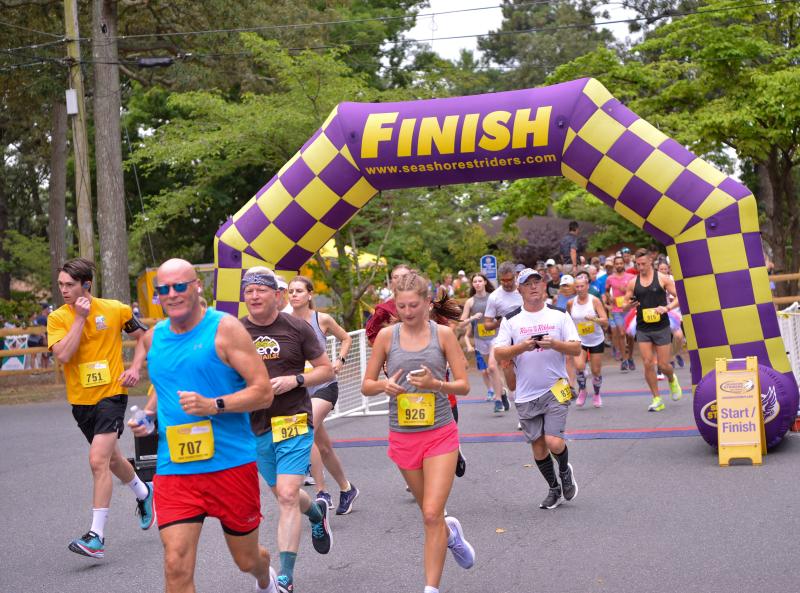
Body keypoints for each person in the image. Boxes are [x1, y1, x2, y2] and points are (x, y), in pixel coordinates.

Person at [123, 258, 279, 593]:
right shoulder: (153, 339)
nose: (172, 294)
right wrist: (148, 418)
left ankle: (265, 580)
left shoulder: (225, 329)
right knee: (175, 563)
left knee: (247, 559)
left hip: (230, 465)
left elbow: (263, 392)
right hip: (175, 468)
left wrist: (214, 405)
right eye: (163, 289)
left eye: (180, 286)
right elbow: (166, 390)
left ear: (197, 287)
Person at [362, 271, 474, 593]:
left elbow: (464, 385)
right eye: (402, 306)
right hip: (403, 434)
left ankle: (431, 588)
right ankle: (451, 535)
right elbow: (366, 385)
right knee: (434, 515)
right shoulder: (387, 337)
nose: (408, 312)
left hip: (439, 432)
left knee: (429, 513)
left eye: (414, 305)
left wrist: (436, 384)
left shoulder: (443, 335)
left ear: (427, 302)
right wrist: (385, 385)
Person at [47, 257, 152, 559]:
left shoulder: (116, 309)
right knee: (113, 459)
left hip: (111, 395)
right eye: (61, 285)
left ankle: (96, 536)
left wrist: (134, 367)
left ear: (86, 285)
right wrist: (79, 318)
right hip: (81, 401)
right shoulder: (58, 319)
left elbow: (143, 336)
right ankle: (144, 492)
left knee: (97, 461)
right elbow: (64, 356)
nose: (63, 290)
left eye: (69, 285)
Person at [241, 267, 335, 593]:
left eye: (260, 290)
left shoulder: (297, 328)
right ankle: (316, 514)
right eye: (248, 291)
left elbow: (326, 370)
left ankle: (285, 577)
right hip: (256, 426)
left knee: (286, 494)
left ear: (276, 295)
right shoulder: (235, 331)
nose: (254, 296)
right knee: (285, 494)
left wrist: (295, 380)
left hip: (293, 419)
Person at [493, 268, 582, 510]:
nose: (533, 286)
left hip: (556, 388)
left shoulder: (559, 315)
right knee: (539, 447)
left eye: (537, 282)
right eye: (527, 283)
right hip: (525, 393)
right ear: (519, 289)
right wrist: (521, 347)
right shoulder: (511, 319)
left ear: (544, 287)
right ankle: (553, 488)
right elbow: (499, 352)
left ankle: (564, 470)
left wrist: (555, 344)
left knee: (554, 442)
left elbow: (576, 349)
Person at [287, 276, 359, 515]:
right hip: (300, 390)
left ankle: (321, 492)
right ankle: (347, 488)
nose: (294, 295)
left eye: (299, 291)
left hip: (325, 386)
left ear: (310, 295)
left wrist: (340, 360)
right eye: (290, 291)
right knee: (323, 447)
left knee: (307, 429)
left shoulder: (322, 319)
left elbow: (347, 337)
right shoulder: (284, 323)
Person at [625, 249, 682, 412]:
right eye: (638, 264)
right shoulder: (632, 282)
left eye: (643, 264)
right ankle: (657, 398)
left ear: (651, 261)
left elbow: (680, 296)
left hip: (661, 326)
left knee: (664, 365)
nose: (641, 267)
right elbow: (624, 304)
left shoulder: (662, 278)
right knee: (648, 363)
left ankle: (671, 379)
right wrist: (628, 305)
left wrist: (667, 307)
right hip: (643, 326)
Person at [481, 261, 523, 414]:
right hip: (504, 341)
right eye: (503, 280)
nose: (506, 283)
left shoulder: (523, 290)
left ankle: (523, 415)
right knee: (509, 381)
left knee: (524, 376)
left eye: (509, 279)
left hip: (524, 338)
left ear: (515, 277)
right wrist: (501, 321)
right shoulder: (495, 297)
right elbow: (487, 324)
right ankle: (503, 392)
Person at [567, 274, 609, 407]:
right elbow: (567, 319)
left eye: (582, 286)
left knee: (596, 371)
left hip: (596, 339)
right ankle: (583, 390)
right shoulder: (571, 303)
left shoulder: (594, 300)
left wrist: (594, 319)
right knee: (579, 366)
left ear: (587, 287)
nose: (579, 289)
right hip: (579, 340)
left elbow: (605, 320)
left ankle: (596, 394)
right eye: (577, 286)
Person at [460, 273, 501, 402]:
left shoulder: (493, 298)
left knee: (492, 367)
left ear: (485, 282)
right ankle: (500, 389)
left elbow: (502, 314)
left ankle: (498, 398)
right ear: (472, 284)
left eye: (480, 281)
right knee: (488, 370)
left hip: (495, 336)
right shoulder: (470, 302)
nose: (477, 283)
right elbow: (461, 324)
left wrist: (495, 320)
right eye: (475, 282)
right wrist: (472, 317)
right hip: (480, 339)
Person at [366, 264, 411, 346]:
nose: (400, 279)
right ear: (391, 282)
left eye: (405, 276)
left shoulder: (426, 304)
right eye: (396, 277)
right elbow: (371, 341)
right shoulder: (384, 310)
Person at [605, 256, 635, 371]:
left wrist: (627, 292)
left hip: (629, 309)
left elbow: (635, 291)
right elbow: (607, 291)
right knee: (621, 334)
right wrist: (610, 298)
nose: (618, 265)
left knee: (630, 335)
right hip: (617, 310)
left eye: (620, 263)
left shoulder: (631, 277)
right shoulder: (610, 278)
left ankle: (631, 357)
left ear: (624, 264)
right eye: (616, 263)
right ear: (614, 265)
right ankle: (624, 359)